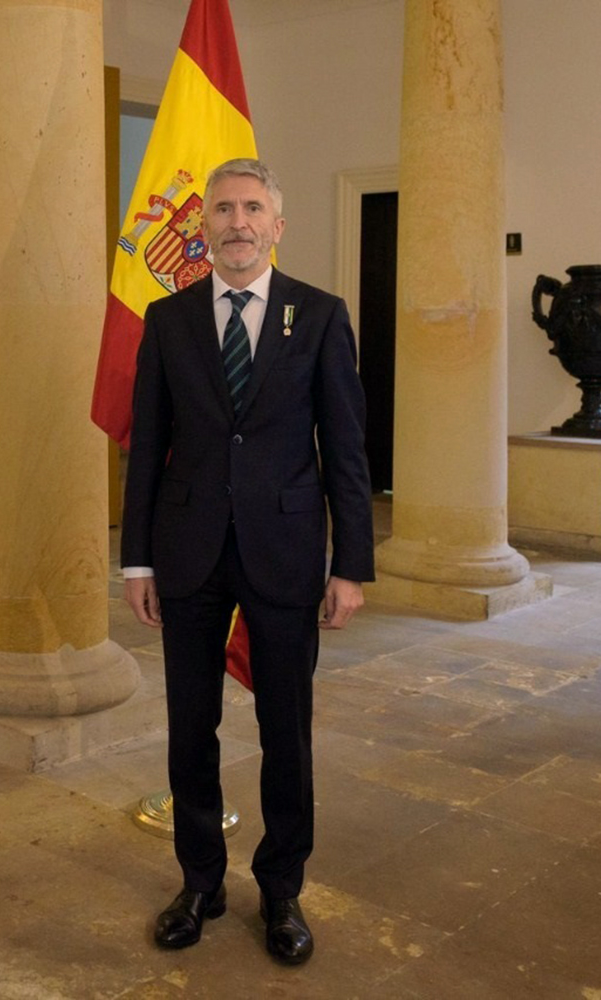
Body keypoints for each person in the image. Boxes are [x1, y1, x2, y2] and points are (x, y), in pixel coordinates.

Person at [121, 159, 374, 965]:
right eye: (223, 209)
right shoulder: (168, 321)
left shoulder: (323, 316)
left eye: (252, 208)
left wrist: (351, 564)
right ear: (204, 227)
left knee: (284, 730)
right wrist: (137, 563)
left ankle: (282, 889)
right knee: (190, 727)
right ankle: (200, 881)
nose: (237, 221)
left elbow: (346, 449)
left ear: (277, 225)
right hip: (187, 553)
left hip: (287, 553)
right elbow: (146, 448)